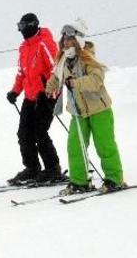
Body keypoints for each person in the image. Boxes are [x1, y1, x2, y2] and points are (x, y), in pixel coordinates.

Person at [45, 20, 126, 195]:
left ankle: (115, 179)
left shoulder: (89, 58)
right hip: (78, 111)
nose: (66, 42)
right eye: (64, 39)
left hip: (99, 109)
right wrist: (49, 86)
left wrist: (76, 83)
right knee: (75, 146)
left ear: (78, 40)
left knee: (104, 146)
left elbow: (97, 80)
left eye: (70, 39)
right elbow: (57, 77)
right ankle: (79, 182)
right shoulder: (63, 60)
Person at [6, 13, 63, 184]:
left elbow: (57, 70)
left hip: (46, 96)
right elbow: (22, 73)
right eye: (19, 26)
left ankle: (53, 169)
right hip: (31, 97)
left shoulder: (45, 43)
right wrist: (15, 91)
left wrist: (49, 93)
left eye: (23, 26)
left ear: (32, 25)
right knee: (24, 133)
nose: (21, 30)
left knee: (40, 132)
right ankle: (32, 168)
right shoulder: (24, 47)